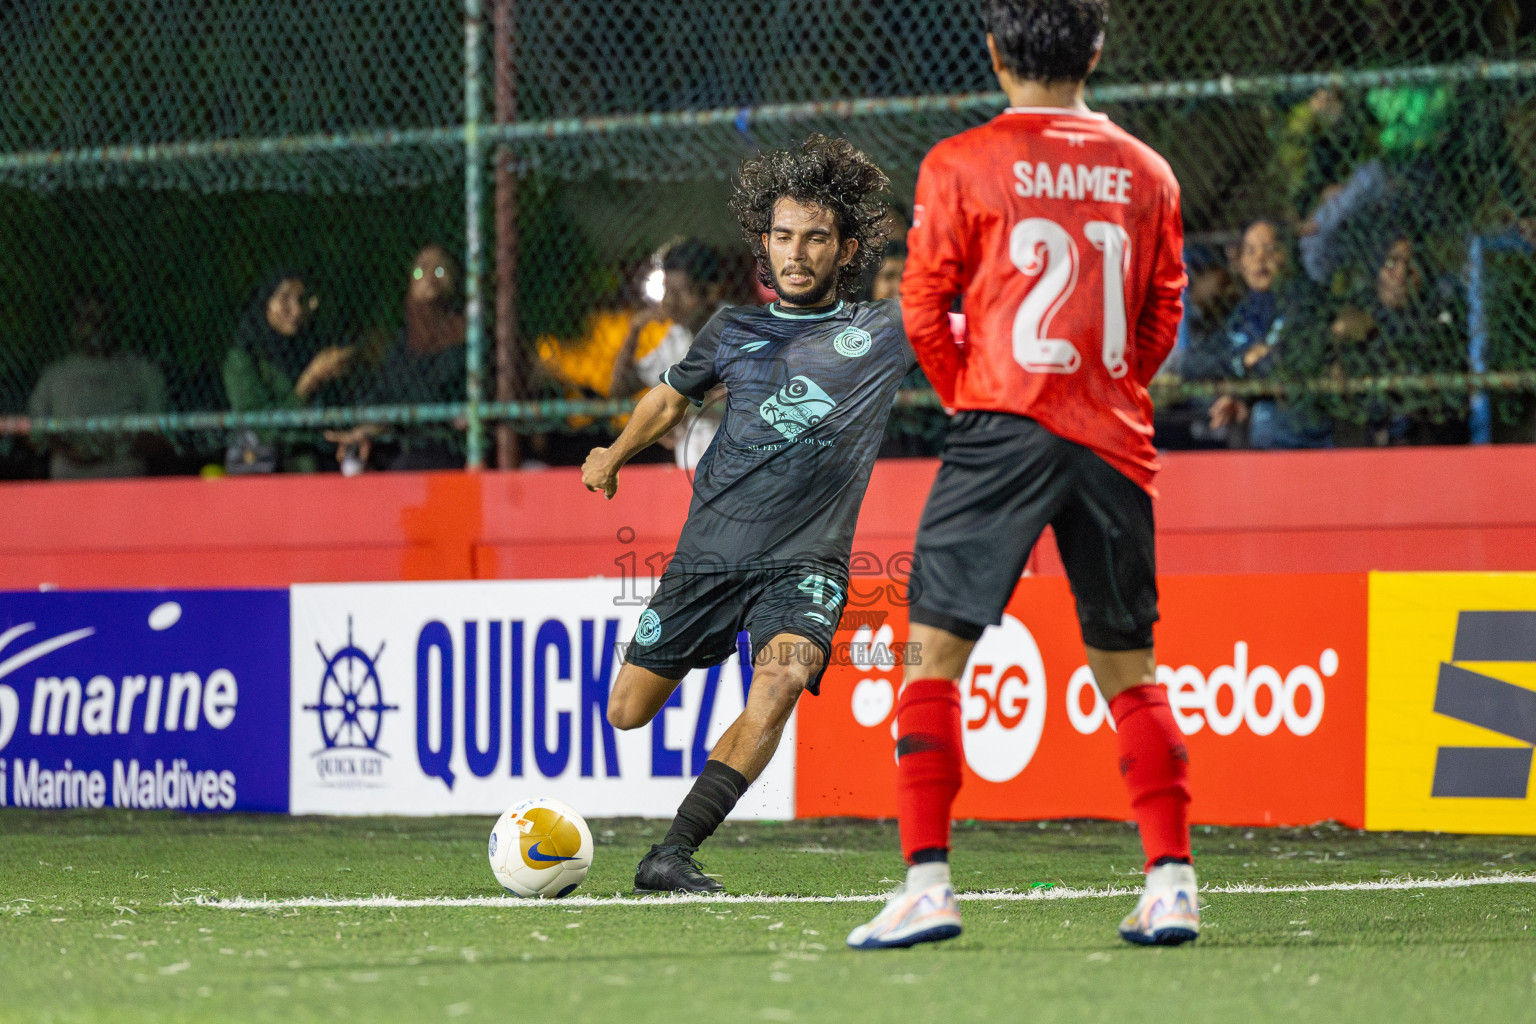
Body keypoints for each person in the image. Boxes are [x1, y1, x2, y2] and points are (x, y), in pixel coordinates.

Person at [848, 0, 1196, 951]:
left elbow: (923, 307)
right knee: (1131, 670)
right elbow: (1163, 314)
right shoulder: (1149, 171)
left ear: (996, 54)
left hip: (1002, 421)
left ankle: (927, 884)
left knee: (932, 660)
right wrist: (1107, 388)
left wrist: (974, 396)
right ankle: (1171, 882)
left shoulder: (960, 162)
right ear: (1095, 51)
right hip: (1113, 435)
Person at [580, 134, 911, 894]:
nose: (798, 253)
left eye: (817, 238)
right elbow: (669, 397)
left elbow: (978, 329)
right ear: (765, 244)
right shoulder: (732, 329)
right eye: (784, 237)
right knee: (627, 711)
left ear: (846, 247)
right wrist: (613, 454)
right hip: (709, 556)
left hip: (807, 563)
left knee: (782, 679)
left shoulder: (885, 332)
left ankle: (673, 854)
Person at [326, 245, 467, 471]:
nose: (429, 278)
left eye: (440, 271)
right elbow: (382, 394)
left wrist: (390, 420)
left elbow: (436, 398)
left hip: (447, 445)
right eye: (420, 271)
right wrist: (366, 429)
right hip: (400, 442)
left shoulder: (465, 338)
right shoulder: (403, 343)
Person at [610, 239, 729, 469]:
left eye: (679, 292)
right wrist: (634, 331)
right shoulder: (677, 336)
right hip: (693, 471)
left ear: (710, 293)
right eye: (666, 291)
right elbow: (620, 388)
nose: (670, 302)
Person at [28, 289, 167, 480]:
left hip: (124, 479)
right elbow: (34, 433)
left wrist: (114, 448)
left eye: (102, 319)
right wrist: (70, 450)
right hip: (69, 480)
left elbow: (161, 434)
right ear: (73, 326)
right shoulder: (54, 375)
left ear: (115, 323)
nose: (94, 327)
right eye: (86, 318)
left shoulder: (142, 371)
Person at [222, 271, 353, 473]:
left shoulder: (310, 346)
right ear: (266, 303)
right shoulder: (244, 358)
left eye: (300, 300)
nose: (296, 309)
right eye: (285, 299)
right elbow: (263, 428)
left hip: (327, 451)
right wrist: (308, 382)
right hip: (275, 461)